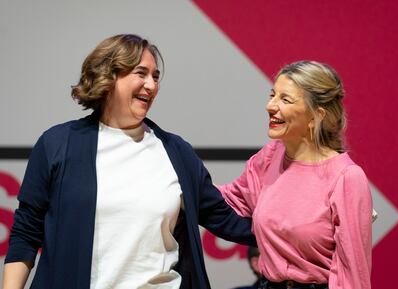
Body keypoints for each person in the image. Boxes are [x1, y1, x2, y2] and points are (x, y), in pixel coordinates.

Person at [2, 34, 256, 289]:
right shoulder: (57, 144)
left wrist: (289, 223)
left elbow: (226, 220)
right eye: (141, 73)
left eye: (155, 77)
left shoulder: (177, 153)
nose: (152, 85)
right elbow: (26, 232)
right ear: (109, 76)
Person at [219, 61, 372, 289]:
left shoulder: (346, 178)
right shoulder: (270, 156)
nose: (270, 106)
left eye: (285, 99)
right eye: (272, 95)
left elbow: (353, 276)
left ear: (315, 116)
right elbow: (225, 202)